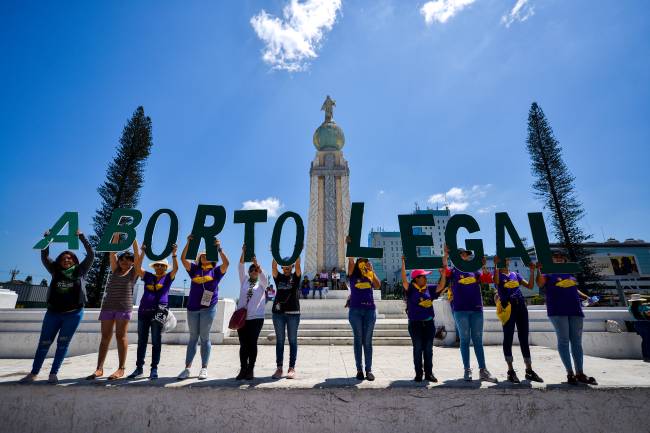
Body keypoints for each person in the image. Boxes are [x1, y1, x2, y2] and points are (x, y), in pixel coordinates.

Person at [20, 230, 94, 384]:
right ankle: (33, 373)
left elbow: (91, 254)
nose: (67, 260)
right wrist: (47, 239)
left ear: (74, 260)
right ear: (59, 261)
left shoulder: (81, 270)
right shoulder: (55, 270)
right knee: (44, 343)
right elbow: (45, 256)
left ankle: (53, 373)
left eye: (70, 258)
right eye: (63, 258)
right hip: (53, 313)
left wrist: (81, 237)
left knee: (63, 343)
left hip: (73, 314)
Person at [537, 250, 598, 384]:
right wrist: (539, 270)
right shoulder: (548, 272)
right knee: (564, 341)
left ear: (565, 259)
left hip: (575, 309)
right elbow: (540, 284)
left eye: (561, 256)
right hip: (558, 310)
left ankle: (580, 373)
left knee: (577, 342)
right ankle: (570, 373)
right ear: (551, 259)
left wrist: (587, 298)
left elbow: (574, 289)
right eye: (555, 257)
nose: (559, 258)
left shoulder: (569, 274)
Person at [87, 234, 142, 381]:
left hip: (124, 307)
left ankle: (121, 368)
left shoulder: (133, 273)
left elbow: (138, 257)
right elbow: (112, 252)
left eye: (128, 260)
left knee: (120, 336)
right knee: (105, 337)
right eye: (122, 259)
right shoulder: (115, 270)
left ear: (132, 263)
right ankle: (99, 368)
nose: (124, 261)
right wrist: (116, 235)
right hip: (108, 306)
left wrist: (133, 239)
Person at [439, 246, 497, 382]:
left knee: (478, 340)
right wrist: (446, 255)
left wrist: (484, 266)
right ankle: (467, 370)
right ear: (457, 257)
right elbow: (444, 270)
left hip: (476, 309)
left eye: (466, 254)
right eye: (462, 254)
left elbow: (487, 280)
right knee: (464, 340)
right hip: (460, 310)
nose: (465, 256)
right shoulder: (453, 271)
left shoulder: (474, 271)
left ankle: (483, 370)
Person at [177, 235, 229, 380]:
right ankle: (187, 368)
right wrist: (187, 243)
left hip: (208, 308)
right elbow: (183, 260)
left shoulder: (216, 271)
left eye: (207, 256)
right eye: (202, 256)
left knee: (205, 337)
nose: (205, 257)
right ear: (199, 258)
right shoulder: (193, 269)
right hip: (192, 308)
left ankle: (204, 368)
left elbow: (227, 263)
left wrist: (220, 249)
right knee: (193, 337)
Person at [127, 244, 179, 379]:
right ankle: (139, 369)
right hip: (143, 311)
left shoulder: (168, 278)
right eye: (157, 265)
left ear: (166, 268)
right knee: (142, 341)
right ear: (154, 267)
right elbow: (137, 268)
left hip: (159, 312)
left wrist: (174, 254)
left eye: (162, 266)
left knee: (156, 341)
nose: (159, 267)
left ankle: (154, 369)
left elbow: (176, 269)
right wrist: (143, 252)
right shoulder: (148, 276)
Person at [493, 256, 543, 383]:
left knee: (524, 337)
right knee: (508, 337)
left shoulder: (515, 274)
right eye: (503, 260)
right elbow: (496, 281)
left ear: (508, 261)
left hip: (521, 306)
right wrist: (495, 266)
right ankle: (510, 370)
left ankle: (529, 370)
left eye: (506, 259)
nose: (505, 262)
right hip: (507, 307)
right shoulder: (498, 274)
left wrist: (532, 271)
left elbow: (531, 286)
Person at [401, 257, 445, 382]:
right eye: (423, 276)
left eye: (425, 276)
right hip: (415, 324)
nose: (425, 278)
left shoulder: (429, 288)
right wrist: (403, 263)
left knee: (428, 349)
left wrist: (443, 275)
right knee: (418, 348)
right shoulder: (410, 289)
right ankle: (418, 374)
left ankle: (429, 373)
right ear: (416, 278)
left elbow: (441, 286)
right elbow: (404, 280)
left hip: (429, 323)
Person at [346, 238, 381, 381]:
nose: (364, 263)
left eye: (365, 261)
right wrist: (350, 246)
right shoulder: (352, 275)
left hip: (369, 311)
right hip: (355, 311)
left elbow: (378, 285)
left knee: (367, 341)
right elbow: (350, 261)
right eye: (362, 262)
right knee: (358, 339)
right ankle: (359, 369)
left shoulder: (369, 275)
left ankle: (369, 370)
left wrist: (372, 271)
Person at [236, 245, 268, 380]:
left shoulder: (262, 284)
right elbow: (240, 267)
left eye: (256, 270)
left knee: (252, 343)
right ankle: (243, 369)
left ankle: (250, 369)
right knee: (243, 345)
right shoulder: (244, 281)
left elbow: (264, 277)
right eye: (252, 270)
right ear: (249, 273)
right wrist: (243, 252)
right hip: (242, 318)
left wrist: (256, 263)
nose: (254, 271)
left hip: (256, 318)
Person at [271, 256, 302, 379]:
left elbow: (299, 265)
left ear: (292, 266)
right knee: (280, 341)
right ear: (282, 267)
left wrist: (298, 252)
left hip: (293, 313)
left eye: (289, 265)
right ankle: (279, 368)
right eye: (285, 265)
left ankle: (292, 368)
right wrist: (275, 254)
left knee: (292, 341)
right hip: (278, 314)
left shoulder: (296, 277)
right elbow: (273, 267)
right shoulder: (279, 277)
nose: (287, 267)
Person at [629, 294, 650, 362]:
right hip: (646, 324)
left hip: (637, 324)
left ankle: (645, 356)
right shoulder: (643, 307)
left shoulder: (630, 308)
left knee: (644, 340)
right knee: (648, 340)